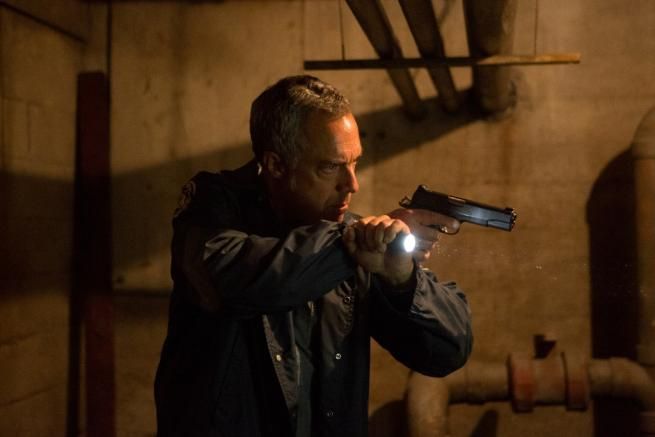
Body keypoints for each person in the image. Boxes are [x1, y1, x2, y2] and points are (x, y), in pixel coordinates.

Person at [154, 75, 472, 437]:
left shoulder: (350, 242)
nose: (352, 184)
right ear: (276, 165)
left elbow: (448, 351)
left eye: (354, 163)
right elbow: (242, 280)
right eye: (330, 167)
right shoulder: (214, 209)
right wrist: (354, 242)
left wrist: (402, 281)